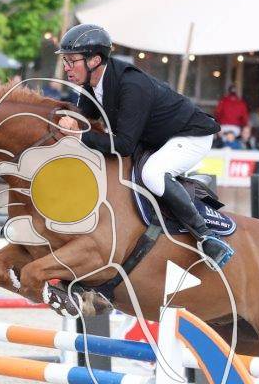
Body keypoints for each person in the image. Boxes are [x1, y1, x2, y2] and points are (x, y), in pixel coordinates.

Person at [53, 22, 230, 270]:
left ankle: (207, 237)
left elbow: (123, 145)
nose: (66, 67)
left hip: (190, 136)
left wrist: (79, 137)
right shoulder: (92, 85)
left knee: (152, 174)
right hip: (158, 138)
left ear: (94, 60)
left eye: (72, 61)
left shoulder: (131, 84)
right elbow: (84, 117)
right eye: (66, 60)